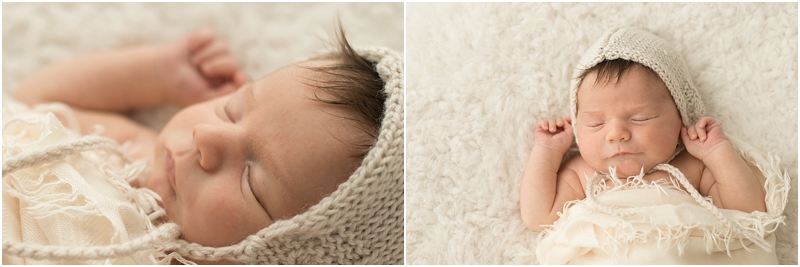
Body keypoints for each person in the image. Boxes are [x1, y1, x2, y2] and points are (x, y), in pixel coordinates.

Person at [8, 25, 397, 263]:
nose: (206, 137)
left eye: (252, 181)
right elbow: (32, 104)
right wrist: (153, 74)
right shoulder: (129, 152)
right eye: (232, 111)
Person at [519, 27, 766, 233]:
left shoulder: (692, 168)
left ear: (681, 116)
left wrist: (716, 151)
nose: (616, 134)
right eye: (596, 123)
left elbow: (749, 211)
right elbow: (539, 217)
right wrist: (547, 151)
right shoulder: (583, 174)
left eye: (640, 118)